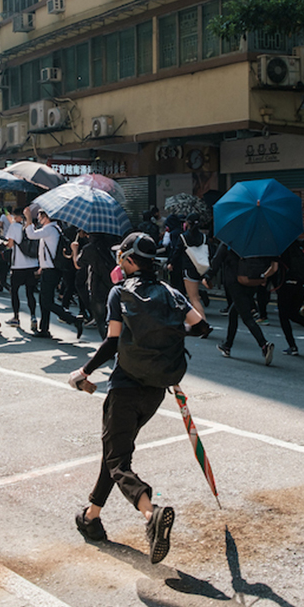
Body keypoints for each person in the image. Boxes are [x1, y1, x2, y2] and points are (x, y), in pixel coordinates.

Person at [67, 232, 210, 564]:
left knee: (118, 460)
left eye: (121, 256)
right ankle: (91, 517)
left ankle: (151, 513)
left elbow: (112, 342)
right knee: (115, 450)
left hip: (125, 386)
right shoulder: (173, 293)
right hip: (155, 390)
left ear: (129, 260)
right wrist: (167, 334)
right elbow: (201, 328)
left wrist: (84, 372)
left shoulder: (120, 292)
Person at [205, 243, 275, 364]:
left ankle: (264, 345)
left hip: (235, 283)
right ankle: (227, 345)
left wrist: (207, 277)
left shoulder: (228, 243)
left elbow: (216, 262)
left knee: (246, 317)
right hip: (251, 282)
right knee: (233, 313)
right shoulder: (254, 244)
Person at [24, 207, 85, 340]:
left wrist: (28, 218)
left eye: (40, 216)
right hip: (50, 269)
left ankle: (73, 319)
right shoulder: (54, 228)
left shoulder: (49, 229)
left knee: (46, 302)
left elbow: (30, 235)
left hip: (51, 271)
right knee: (45, 300)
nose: (39, 219)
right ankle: (44, 329)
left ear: (47, 217)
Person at [275, 235, 304, 355]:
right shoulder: (302, 246)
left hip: (288, 284)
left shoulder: (283, 248)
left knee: (283, 315)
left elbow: (275, 267)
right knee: (292, 313)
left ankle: (292, 346)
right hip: (303, 285)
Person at [4, 210, 39, 330]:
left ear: (18, 217)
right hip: (32, 264)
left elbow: (10, 244)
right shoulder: (31, 226)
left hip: (18, 265)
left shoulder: (14, 226)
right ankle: (33, 316)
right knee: (30, 293)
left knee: (15, 292)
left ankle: (16, 317)